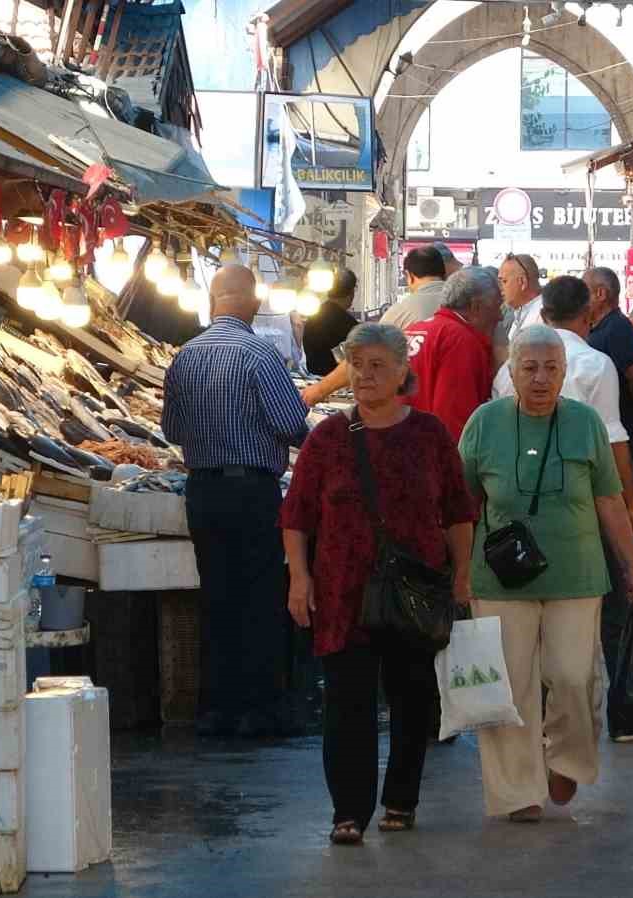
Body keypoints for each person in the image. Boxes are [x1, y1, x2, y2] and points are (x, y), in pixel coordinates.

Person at [279, 323, 476, 846]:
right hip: (342, 591)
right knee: (347, 702)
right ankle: (348, 810)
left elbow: (458, 511)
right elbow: (296, 515)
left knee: (412, 699)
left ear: (401, 371)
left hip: (414, 588)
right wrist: (300, 577)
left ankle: (401, 799)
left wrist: (462, 574)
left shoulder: (430, 435)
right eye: (356, 365)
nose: (364, 376)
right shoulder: (327, 438)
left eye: (376, 365)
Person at [459, 325, 633, 822]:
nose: (541, 378)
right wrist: (458, 571)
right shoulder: (485, 422)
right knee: (510, 685)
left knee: (572, 676)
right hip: (500, 575)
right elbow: (461, 505)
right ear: (512, 372)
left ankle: (565, 756)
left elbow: (609, 500)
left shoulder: (585, 423)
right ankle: (517, 792)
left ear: (565, 373)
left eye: (551, 368)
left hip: (577, 570)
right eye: (530, 367)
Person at [492, 277, 633, 735]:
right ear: (588, 316)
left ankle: (540, 714)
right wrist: (632, 503)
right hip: (582, 505)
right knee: (612, 608)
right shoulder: (595, 363)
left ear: (543, 314)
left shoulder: (511, 367)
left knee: (531, 616)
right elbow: (613, 440)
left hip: (519, 507)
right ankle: (623, 711)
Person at [162, 264, 310, 739]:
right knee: (261, 598)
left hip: (202, 490)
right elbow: (291, 425)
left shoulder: (184, 355)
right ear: (251, 302)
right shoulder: (259, 355)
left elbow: (171, 431)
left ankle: (215, 709)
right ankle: (259, 709)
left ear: (212, 302)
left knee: (217, 597)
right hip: (251, 491)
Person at [405, 267, 505, 442]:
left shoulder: (415, 329)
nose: (500, 316)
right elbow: (455, 420)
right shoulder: (461, 341)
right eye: (497, 306)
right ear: (476, 307)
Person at [585, 266, 633, 475]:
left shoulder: (617, 327)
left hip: (618, 427)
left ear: (600, 294)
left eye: (584, 290)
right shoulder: (600, 326)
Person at [303, 270, 360, 376]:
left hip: (314, 381)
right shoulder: (350, 325)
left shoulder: (313, 316)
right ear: (351, 293)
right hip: (338, 384)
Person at [380, 247, 451, 331]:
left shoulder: (399, 312)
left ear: (409, 275)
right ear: (445, 273)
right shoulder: (465, 303)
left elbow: (375, 341)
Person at [499, 253, 545, 342]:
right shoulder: (520, 311)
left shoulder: (543, 317)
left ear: (522, 282)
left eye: (504, 281)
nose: (500, 287)